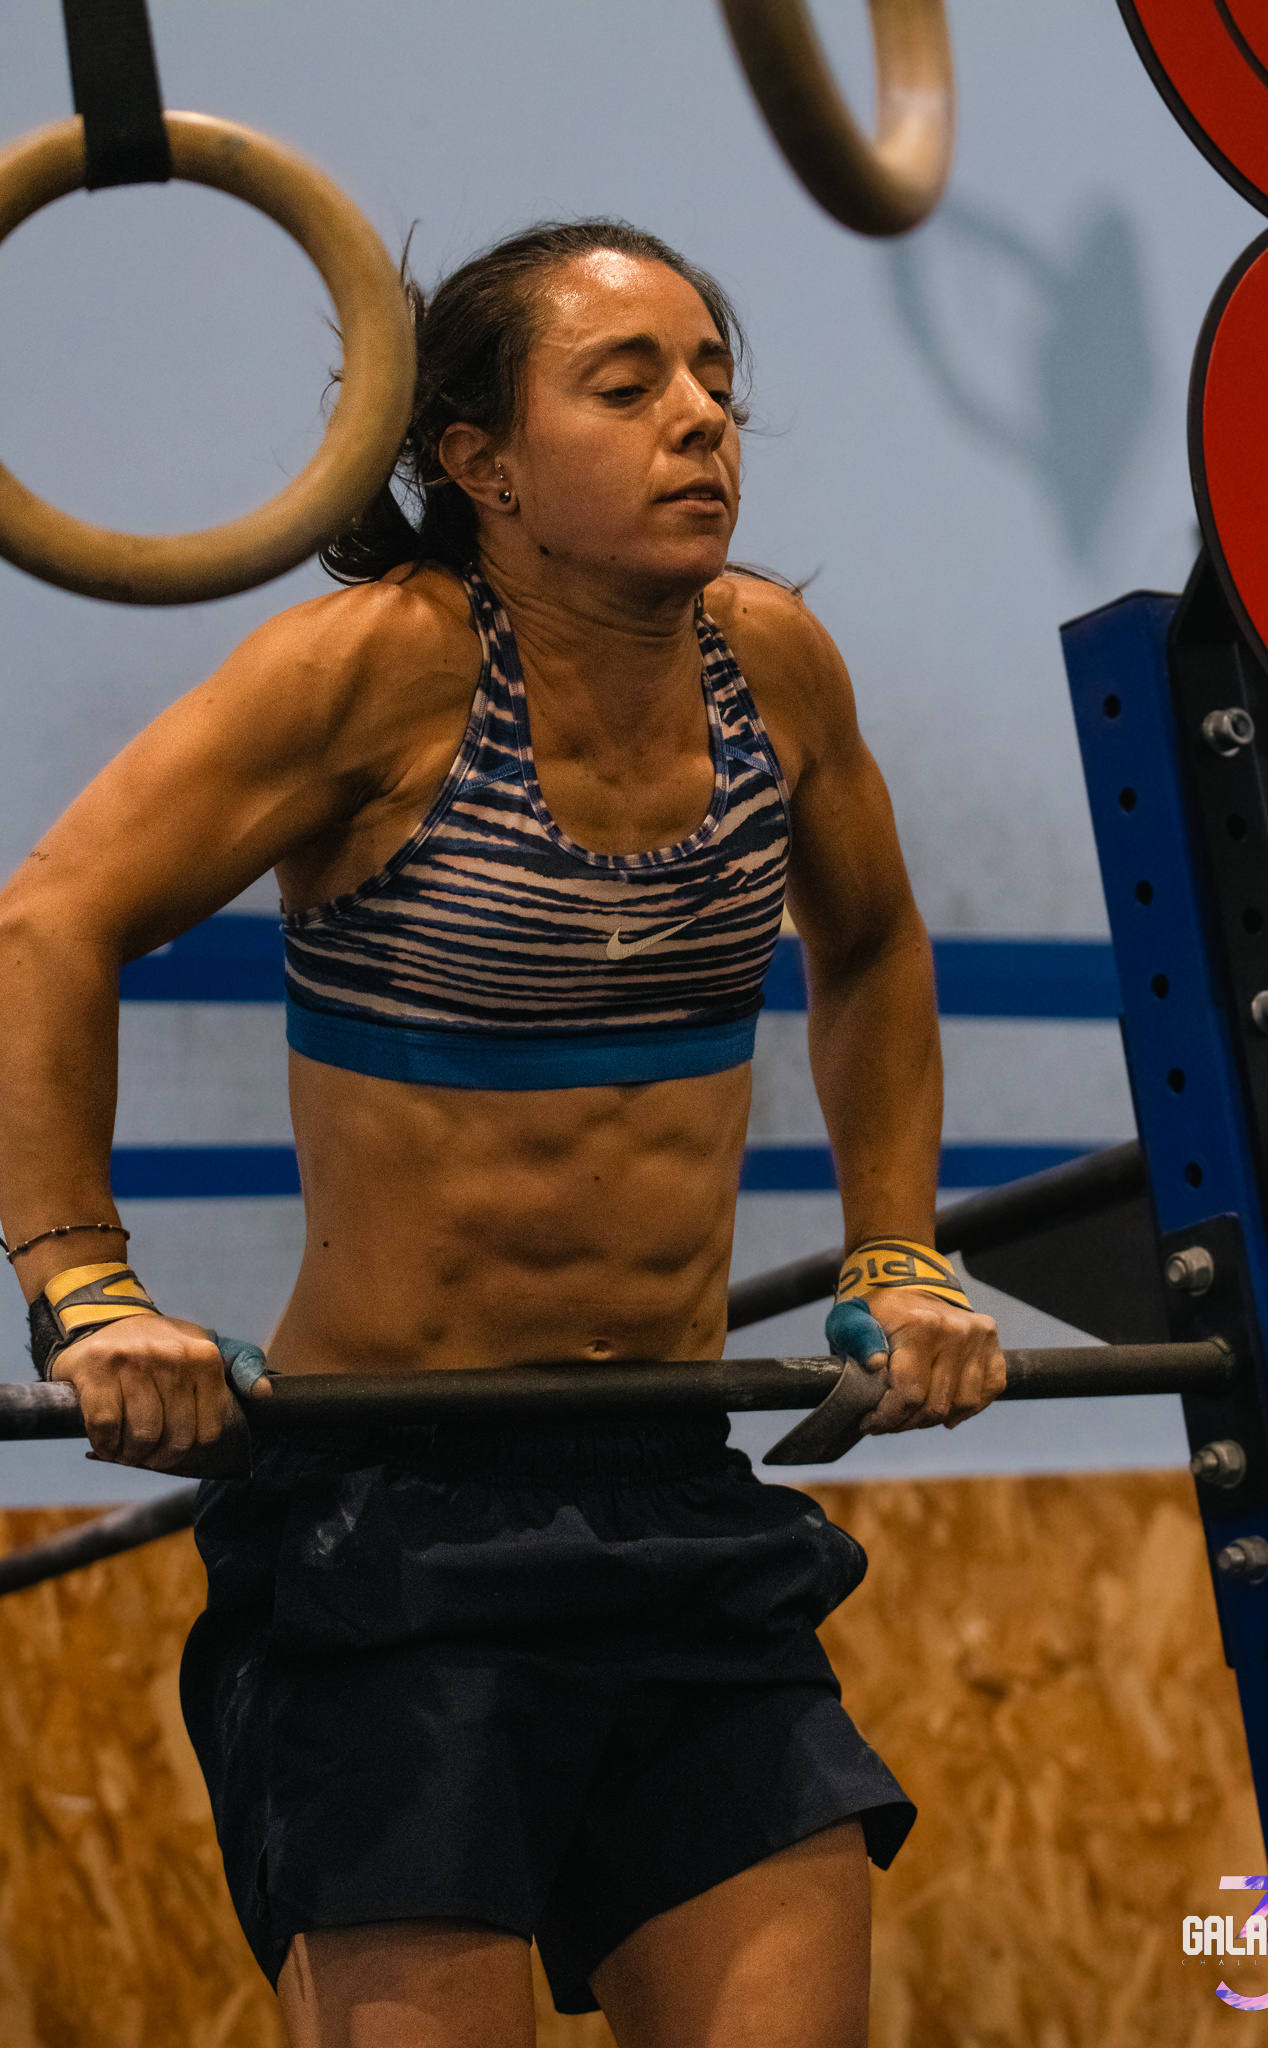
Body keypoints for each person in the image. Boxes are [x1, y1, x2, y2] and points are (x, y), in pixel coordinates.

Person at [0, 219, 1007, 2048]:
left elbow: (869, 944)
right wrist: (86, 1293)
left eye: (713, 380)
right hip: (390, 1527)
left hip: (676, 1496)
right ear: (479, 461)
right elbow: (47, 925)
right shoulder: (370, 672)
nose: (699, 419)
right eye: (626, 386)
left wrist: (897, 1249)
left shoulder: (774, 669)